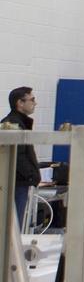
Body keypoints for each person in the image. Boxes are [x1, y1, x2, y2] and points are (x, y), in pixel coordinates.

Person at [3, 87, 40, 230]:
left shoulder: (20, 123)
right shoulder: (13, 124)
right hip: (17, 183)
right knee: (13, 226)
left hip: (19, 182)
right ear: (20, 103)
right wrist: (31, 175)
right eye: (32, 99)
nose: (35, 103)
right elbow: (18, 155)